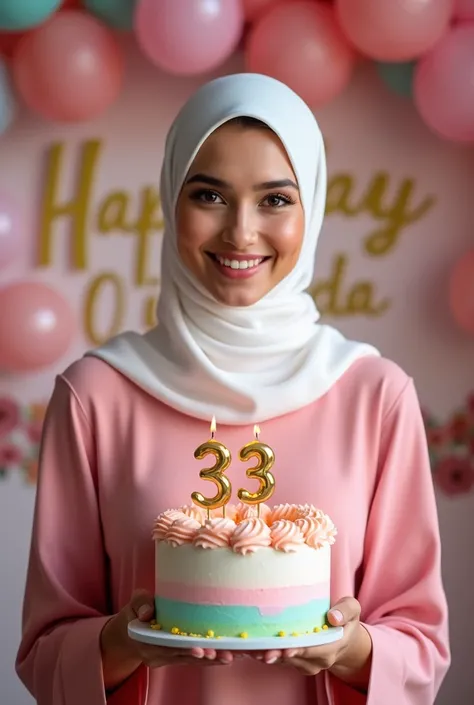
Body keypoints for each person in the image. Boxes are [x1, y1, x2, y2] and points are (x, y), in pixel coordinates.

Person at [16, 73, 450, 705]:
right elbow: (43, 654)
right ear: (170, 199)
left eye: (275, 199)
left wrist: (350, 650)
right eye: (210, 195)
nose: (241, 233)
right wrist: (125, 641)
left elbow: (423, 646)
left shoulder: (374, 396)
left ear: (313, 209)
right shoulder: (95, 397)